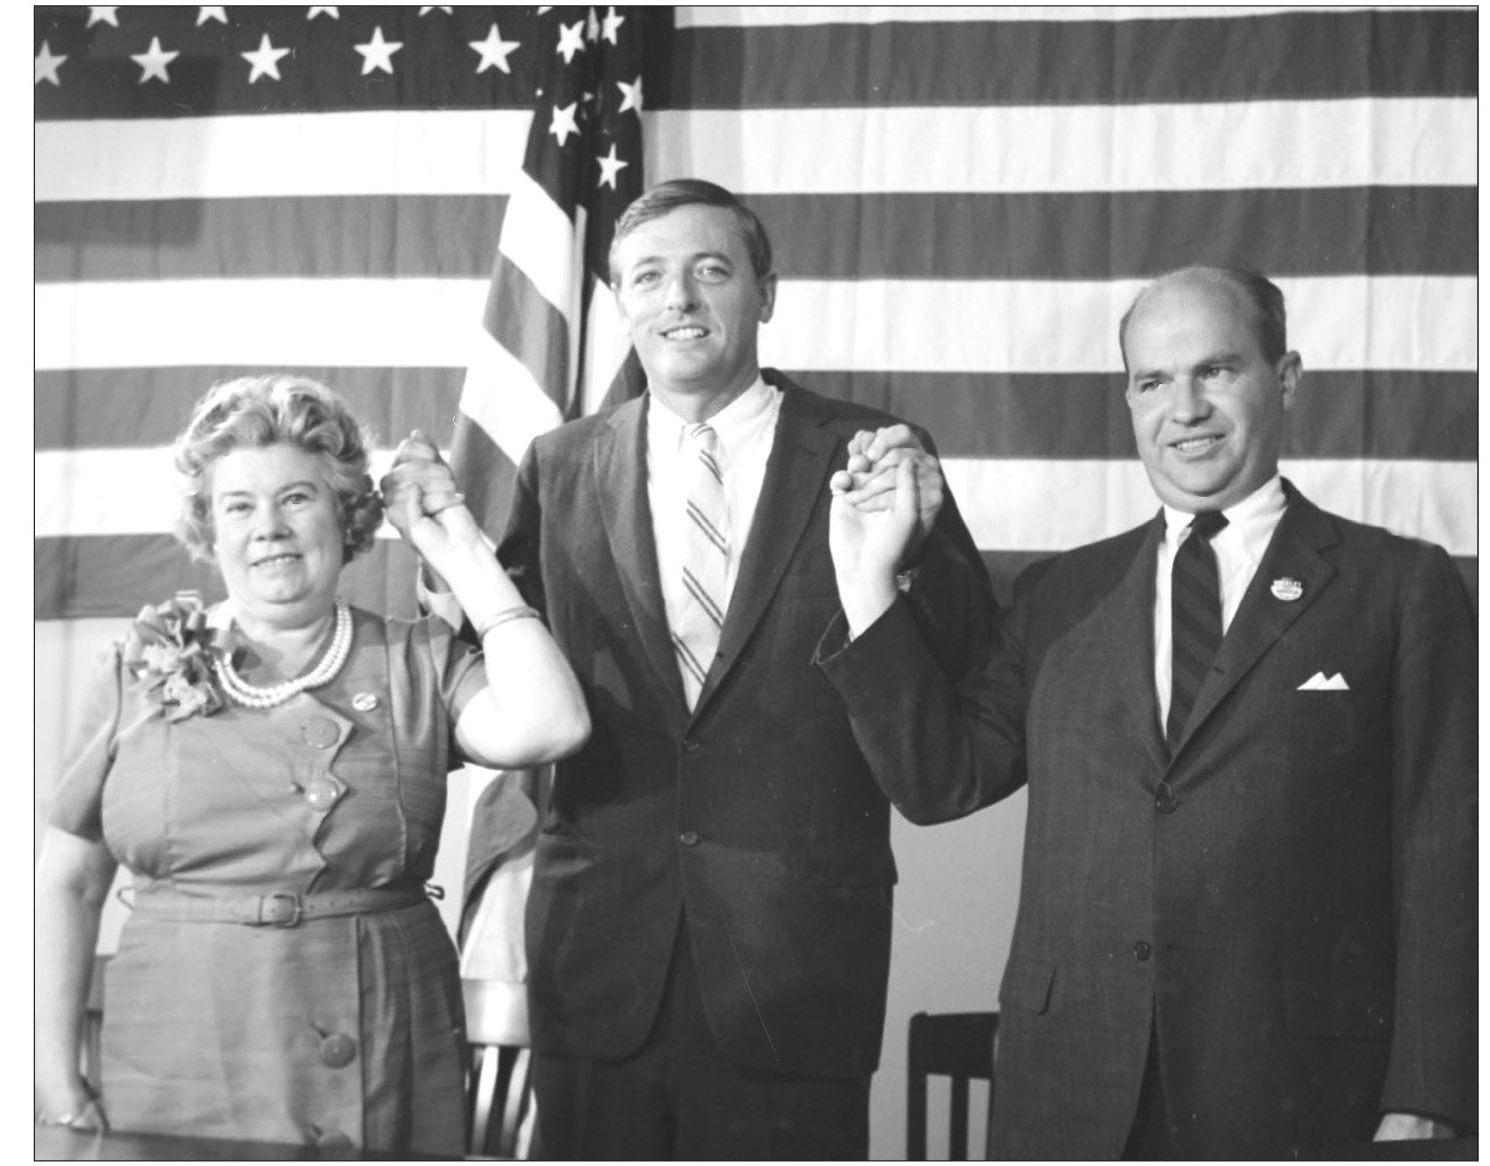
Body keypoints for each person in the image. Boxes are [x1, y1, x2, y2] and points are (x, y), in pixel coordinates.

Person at [384, 178, 994, 1158]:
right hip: (598, 954)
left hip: (791, 961)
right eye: (648, 277)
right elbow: (499, 663)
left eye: (710, 270)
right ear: (620, 300)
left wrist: (909, 551)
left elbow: (967, 657)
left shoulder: (869, 451)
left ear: (765, 290)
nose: (678, 298)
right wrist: (442, 550)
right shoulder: (561, 462)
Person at [819, 266, 1477, 1158]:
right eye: (1153, 381)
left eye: (1217, 371)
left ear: (1284, 380)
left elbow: (1445, 858)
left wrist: (1429, 1100)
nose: (1186, 408)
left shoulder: (1399, 587)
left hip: (1299, 1094)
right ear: (1128, 400)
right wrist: (869, 585)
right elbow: (938, 781)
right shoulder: (1061, 594)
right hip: (1071, 1094)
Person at [34, 375, 590, 1154]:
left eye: (297, 498)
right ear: (209, 526)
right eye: (239, 506)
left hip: (385, 1040)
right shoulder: (138, 664)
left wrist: (456, 546)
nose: (269, 527)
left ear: (347, 514)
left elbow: (552, 724)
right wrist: (52, 1079)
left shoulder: (415, 658)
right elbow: (70, 878)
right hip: (176, 1050)